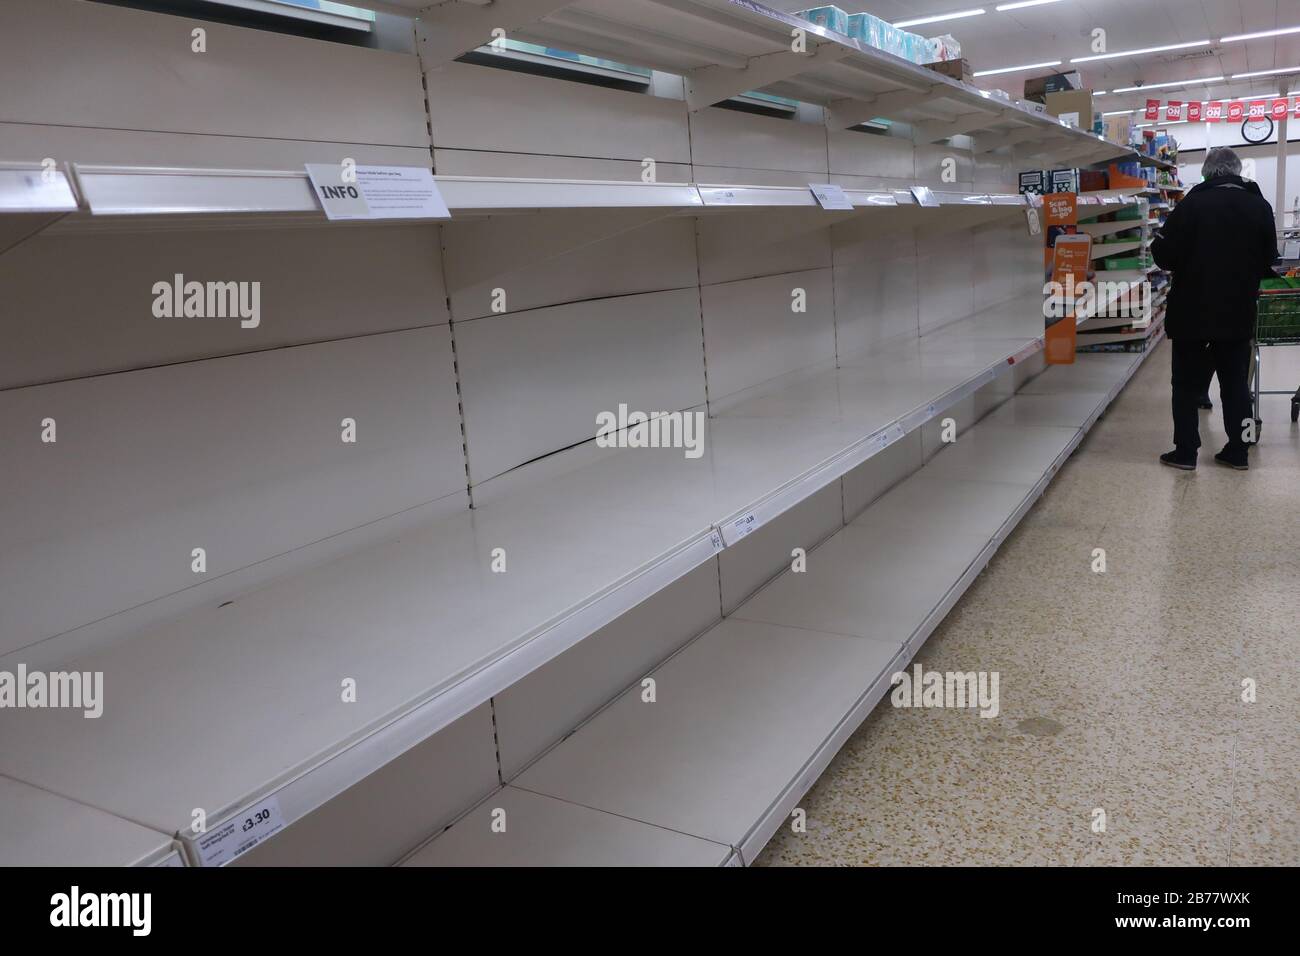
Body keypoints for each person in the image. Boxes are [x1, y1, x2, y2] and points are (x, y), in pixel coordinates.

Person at [1151, 146, 1278, 470]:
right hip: (1238, 313)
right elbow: (1269, 260)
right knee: (1236, 386)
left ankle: (1186, 452)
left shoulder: (1192, 204)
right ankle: (1240, 450)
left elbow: (1163, 255)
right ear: (1237, 172)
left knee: (1184, 386)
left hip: (1192, 313)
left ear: (1208, 173)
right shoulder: (1259, 206)